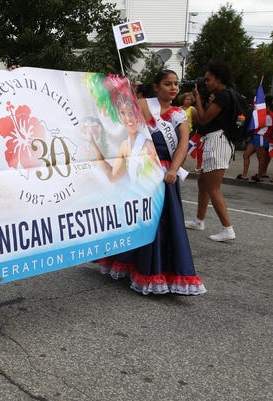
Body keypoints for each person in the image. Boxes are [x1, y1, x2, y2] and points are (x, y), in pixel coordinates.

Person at [97, 70, 205, 295]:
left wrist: (174, 169)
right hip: (144, 172)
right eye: (167, 84)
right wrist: (121, 87)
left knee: (164, 223)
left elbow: (183, 144)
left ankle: (160, 271)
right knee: (139, 218)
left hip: (165, 174)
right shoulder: (145, 106)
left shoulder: (179, 115)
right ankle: (134, 264)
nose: (173, 88)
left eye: (175, 84)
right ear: (156, 87)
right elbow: (124, 121)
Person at [185, 61, 236, 242]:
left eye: (208, 79)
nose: (206, 82)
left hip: (218, 142)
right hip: (217, 140)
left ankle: (227, 228)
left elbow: (204, 119)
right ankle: (199, 220)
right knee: (202, 181)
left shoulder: (223, 96)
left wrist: (197, 97)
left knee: (213, 187)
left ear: (218, 79)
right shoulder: (227, 95)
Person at [237, 95, 272, 182]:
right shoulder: (262, 114)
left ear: (267, 107)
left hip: (261, 137)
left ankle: (259, 176)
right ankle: (244, 175)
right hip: (255, 137)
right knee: (246, 155)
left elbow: (257, 124)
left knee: (261, 158)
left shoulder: (269, 116)